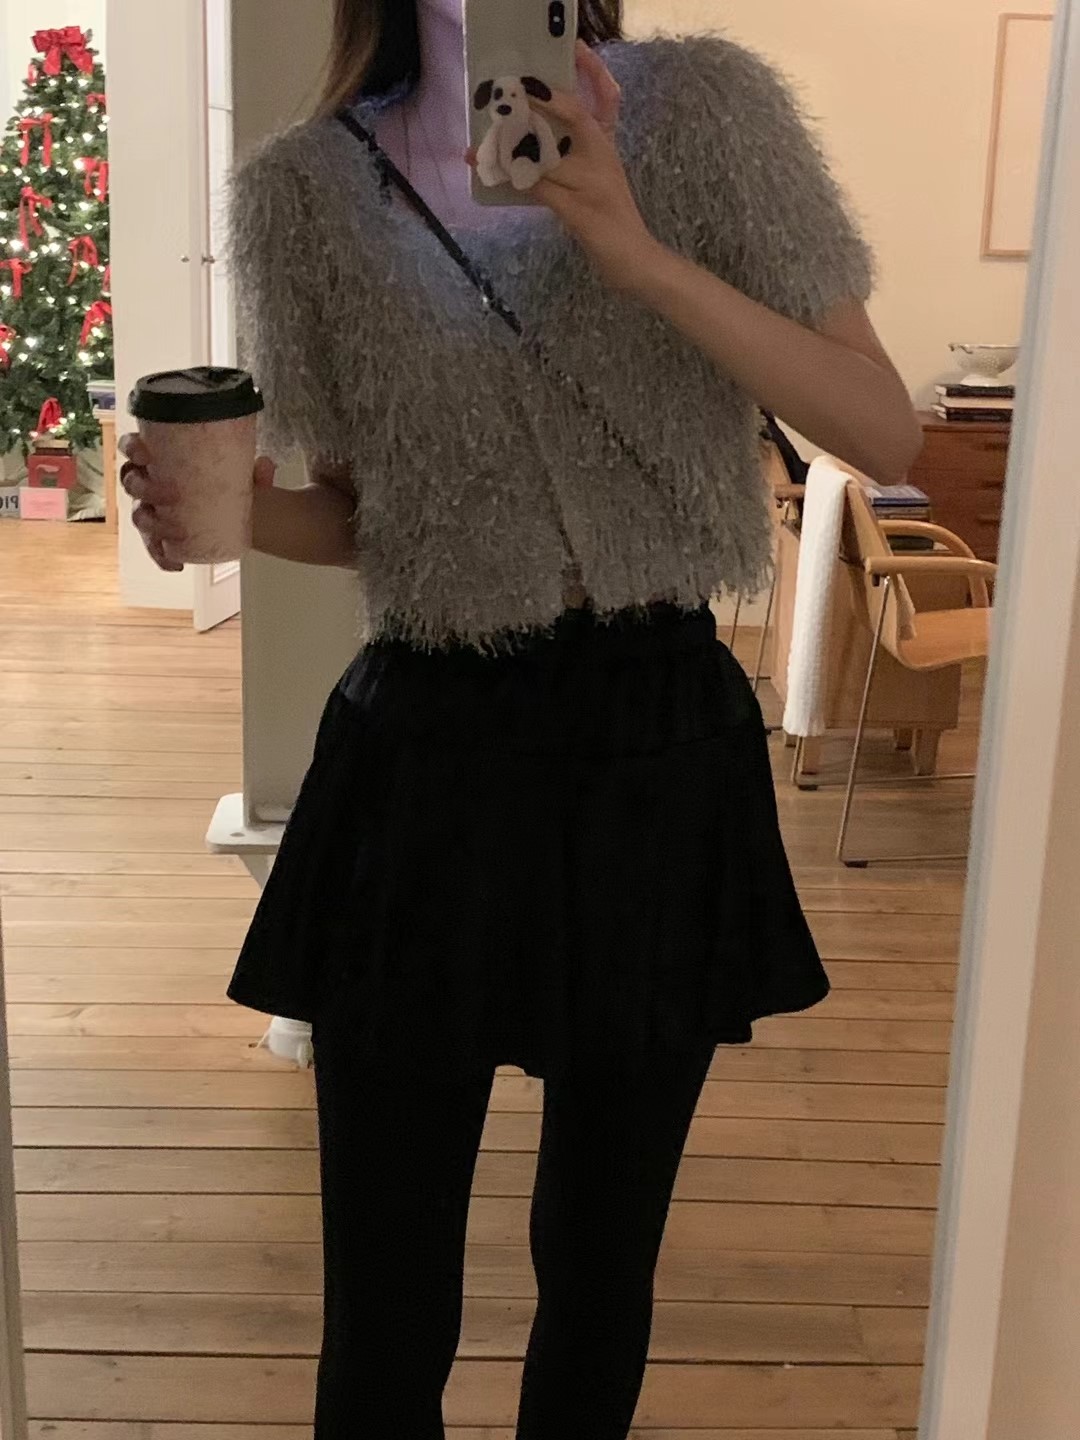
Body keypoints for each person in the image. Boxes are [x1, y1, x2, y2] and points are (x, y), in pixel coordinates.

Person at [120, 1, 921, 1434]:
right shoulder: (305, 192)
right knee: (386, 1293)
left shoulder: (712, 116)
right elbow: (373, 516)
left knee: (602, 1265)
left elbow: (882, 427)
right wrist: (225, 521)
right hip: (427, 749)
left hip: (656, 743)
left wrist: (636, 254)